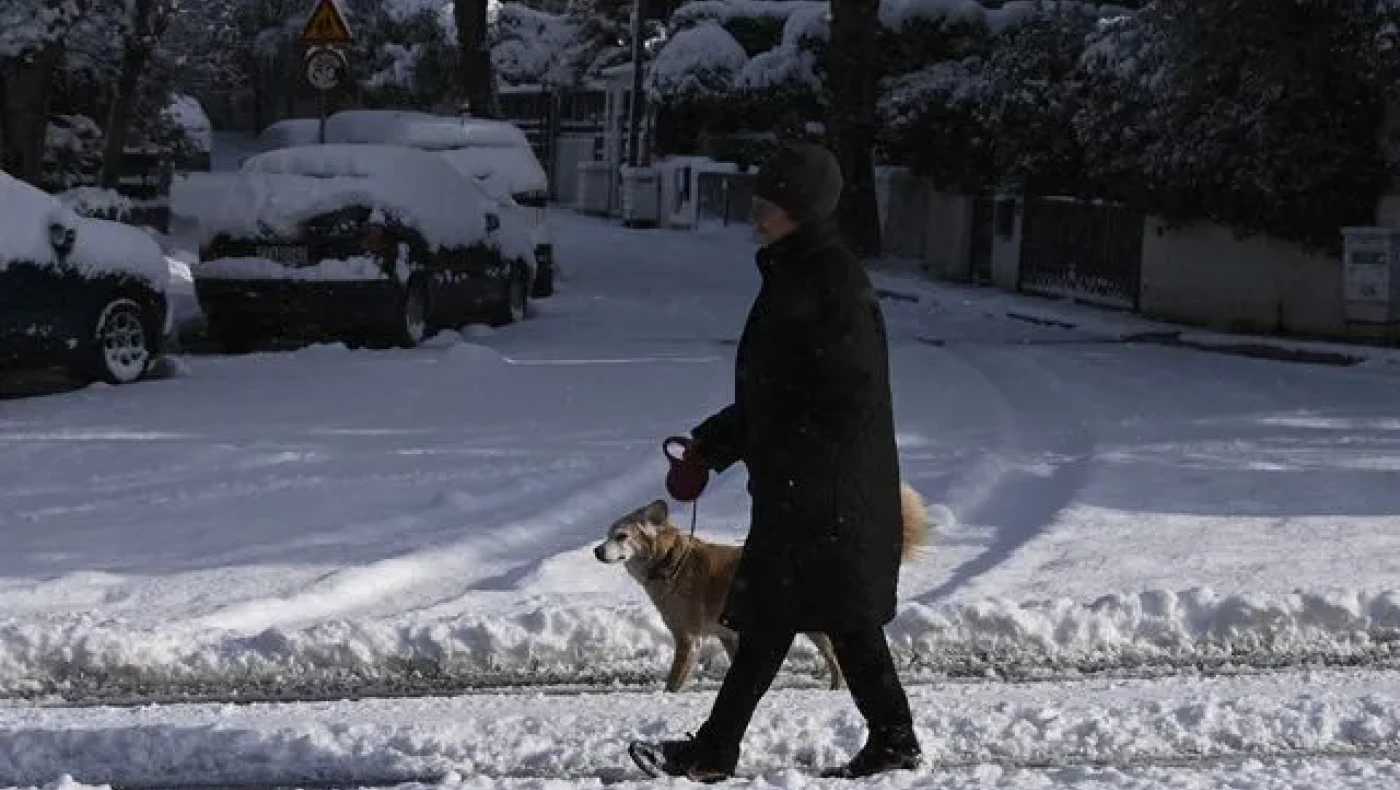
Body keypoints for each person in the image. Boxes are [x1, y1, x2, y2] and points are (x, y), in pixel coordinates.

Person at [628, 142, 922, 782]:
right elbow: (776, 394)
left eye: (769, 206)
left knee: (788, 620)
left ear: (805, 212)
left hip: (826, 496)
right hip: (808, 491)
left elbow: (837, 400)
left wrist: (760, 454)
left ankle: (717, 751)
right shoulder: (797, 274)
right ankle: (887, 741)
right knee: (806, 620)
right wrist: (711, 447)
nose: (755, 216)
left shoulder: (834, 286)